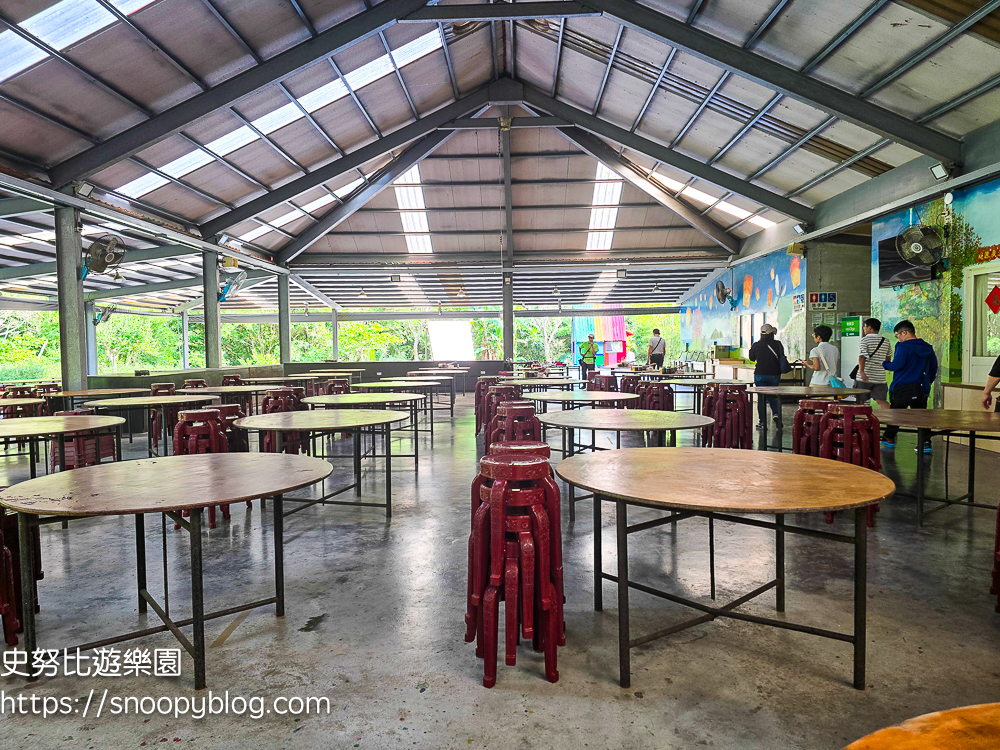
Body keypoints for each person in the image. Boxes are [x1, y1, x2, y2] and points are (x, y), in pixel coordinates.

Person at [881, 320, 938, 452]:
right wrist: (928, 382)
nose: (898, 338)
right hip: (920, 388)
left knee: (896, 414)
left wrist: (885, 364)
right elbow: (933, 368)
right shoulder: (927, 348)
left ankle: (889, 438)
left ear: (905, 332)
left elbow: (897, 365)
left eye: (898, 335)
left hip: (902, 386)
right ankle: (925, 443)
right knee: (921, 417)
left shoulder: (903, 347)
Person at [748, 323, 785, 431]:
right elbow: (782, 356)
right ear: (772, 333)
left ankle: (762, 423)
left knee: (761, 398)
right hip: (774, 374)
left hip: (760, 374)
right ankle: (776, 415)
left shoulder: (756, 345)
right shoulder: (778, 344)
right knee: (773, 396)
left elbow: (752, 358)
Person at [857, 318, 891, 408]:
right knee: (881, 401)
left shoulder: (865, 340)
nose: (864, 329)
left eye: (865, 327)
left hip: (865, 376)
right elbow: (888, 358)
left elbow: (862, 356)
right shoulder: (886, 341)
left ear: (870, 328)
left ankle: (862, 420)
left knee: (861, 402)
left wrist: (861, 372)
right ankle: (894, 418)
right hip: (880, 377)